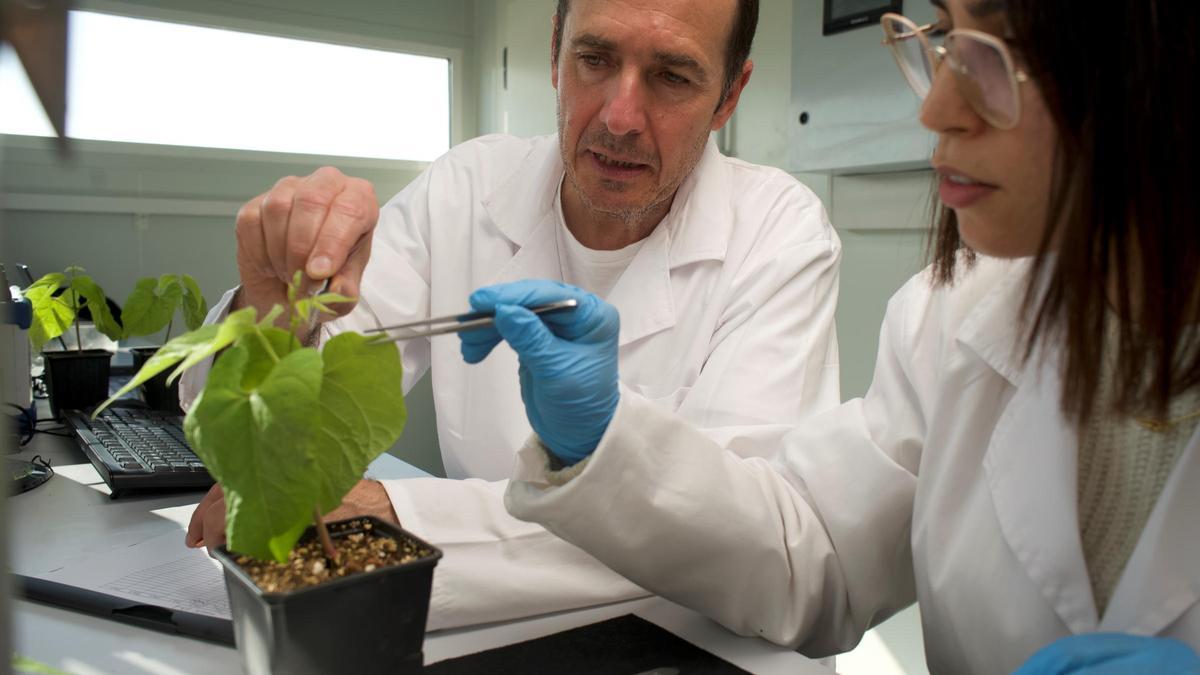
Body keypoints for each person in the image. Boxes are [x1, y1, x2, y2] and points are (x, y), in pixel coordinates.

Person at [468, 0, 1200, 672]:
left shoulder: (794, 233)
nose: (937, 109)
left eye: (995, 62)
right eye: (945, 40)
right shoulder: (952, 317)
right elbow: (810, 555)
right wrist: (599, 441)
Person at [184, 0, 845, 630]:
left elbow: (731, 542)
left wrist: (396, 514)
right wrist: (273, 318)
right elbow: (259, 416)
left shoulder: (778, 234)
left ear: (730, 93)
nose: (619, 117)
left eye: (672, 77)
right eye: (594, 58)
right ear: (556, 51)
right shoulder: (468, 188)